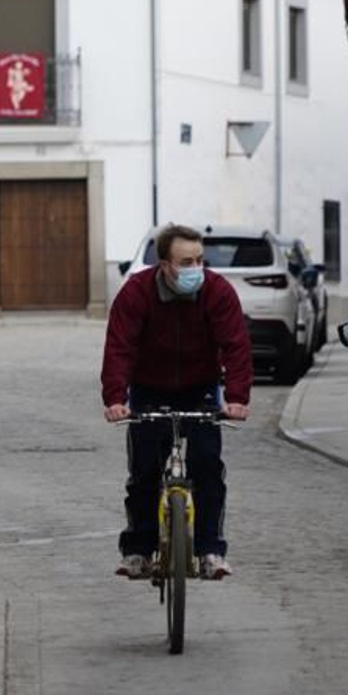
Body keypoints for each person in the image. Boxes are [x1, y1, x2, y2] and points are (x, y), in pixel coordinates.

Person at [102, 223, 253, 580]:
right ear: (165, 265)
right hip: (148, 386)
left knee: (207, 466)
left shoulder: (217, 291)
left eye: (200, 260)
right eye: (186, 262)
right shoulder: (137, 292)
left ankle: (211, 551)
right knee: (144, 471)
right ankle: (138, 550)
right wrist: (115, 398)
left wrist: (235, 397)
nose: (195, 269)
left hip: (199, 386)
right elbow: (119, 346)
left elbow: (236, 346)